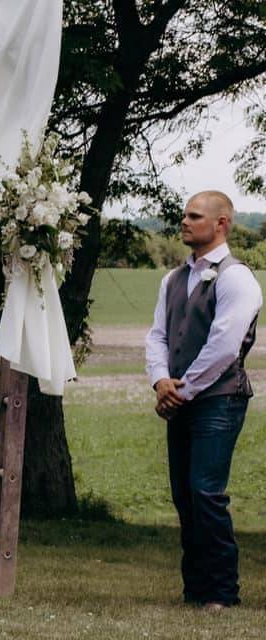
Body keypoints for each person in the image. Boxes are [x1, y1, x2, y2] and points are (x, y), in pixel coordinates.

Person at [145, 190, 261, 613]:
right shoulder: (173, 279)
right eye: (184, 216)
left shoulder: (236, 278)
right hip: (181, 398)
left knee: (206, 492)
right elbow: (157, 335)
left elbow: (225, 346)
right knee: (184, 495)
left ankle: (221, 592)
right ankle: (194, 588)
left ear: (221, 224)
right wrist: (160, 380)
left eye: (195, 216)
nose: (184, 222)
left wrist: (183, 390)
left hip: (219, 400)